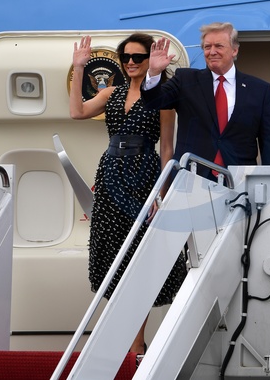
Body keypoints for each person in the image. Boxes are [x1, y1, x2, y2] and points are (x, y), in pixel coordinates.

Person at [70, 33, 187, 355]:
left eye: (138, 57)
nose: (131, 62)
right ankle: (121, 336)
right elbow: (77, 112)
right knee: (112, 254)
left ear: (150, 60)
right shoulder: (111, 92)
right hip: (110, 174)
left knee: (139, 257)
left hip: (144, 176)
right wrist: (79, 68)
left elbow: (167, 148)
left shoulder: (163, 96)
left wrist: (162, 193)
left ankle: (137, 342)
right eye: (126, 57)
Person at [141, 22, 270, 179]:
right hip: (191, 177)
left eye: (219, 46)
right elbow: (153, 102)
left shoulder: (259, 89)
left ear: (234, 50)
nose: (212, 52)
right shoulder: (185, 80)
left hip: (238, 180)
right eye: (207, 47)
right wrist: (154, 73)